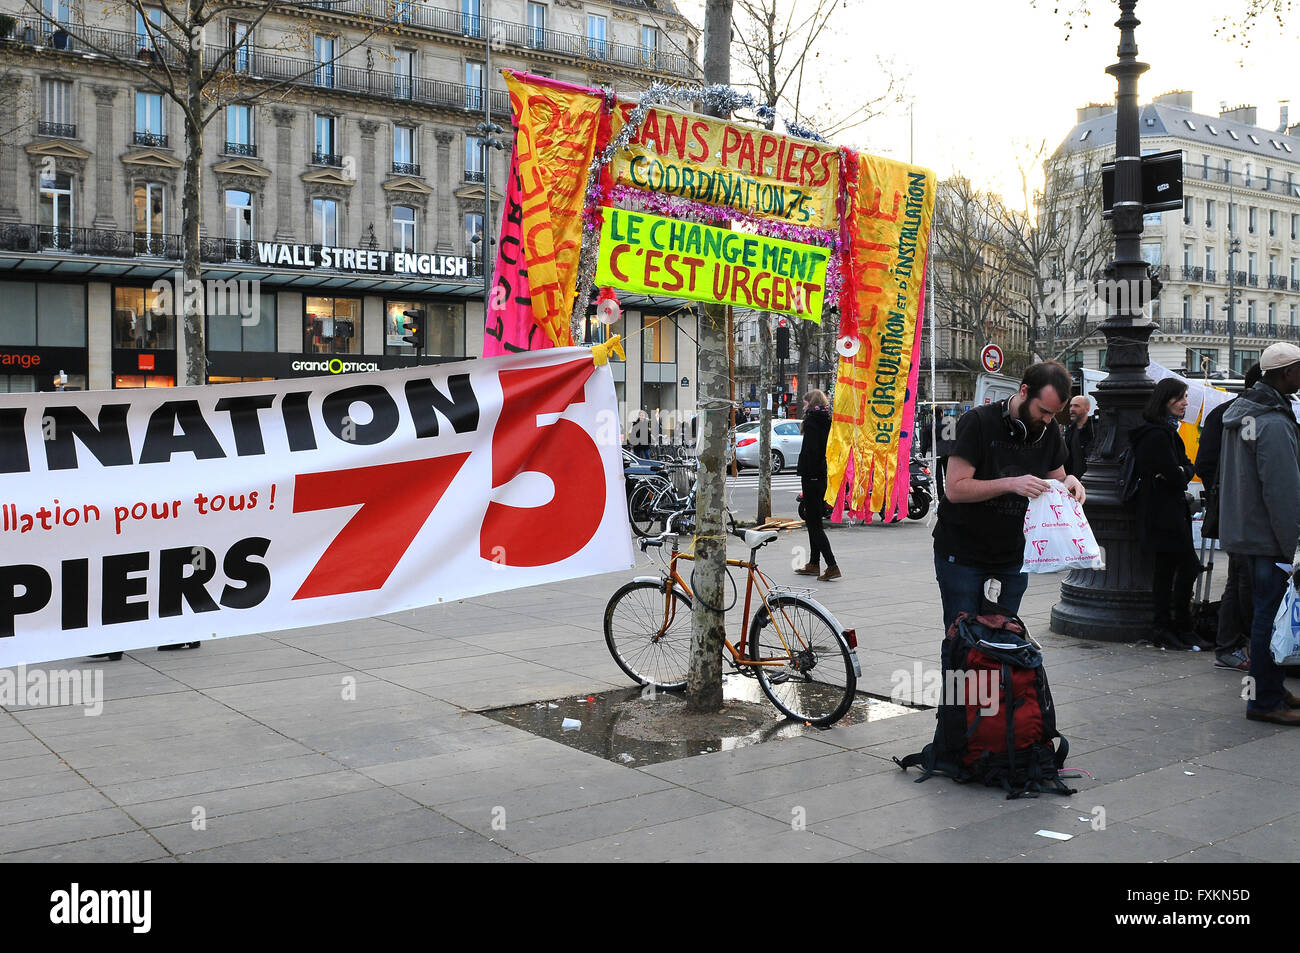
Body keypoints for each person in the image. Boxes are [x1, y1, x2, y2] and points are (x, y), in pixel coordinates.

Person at [933, 361, 1085, 629]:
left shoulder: (1048, 431)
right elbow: (955, 488)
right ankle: (959, 673)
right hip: (963, 552)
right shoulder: (977, 422)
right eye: (1044, 411)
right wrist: (1011, 483)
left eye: (1055, 414)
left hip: (1013, 555)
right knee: (963, 637)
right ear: (1024, 391)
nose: (1048, 420)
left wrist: (1069, 481)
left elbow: (1057, 476)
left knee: (1004, 637)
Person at [1219, 342, 1300, 725]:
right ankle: (1265, 700)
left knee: (1262, 615)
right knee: (1270, 618)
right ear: (1286, 374)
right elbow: (1282, 493)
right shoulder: (1272, 422)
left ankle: (1269, 688)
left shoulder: (1245, 414)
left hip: (1247, 535)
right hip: (1270, 538)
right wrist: (1294, 548)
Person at [1194, 363, 1262, 671]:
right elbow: (1206, 463)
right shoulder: (1228, 414)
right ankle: (1233, 644)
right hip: (1243, 511)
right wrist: (1228, 496)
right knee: (1243, 577)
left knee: (1244, 576)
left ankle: (1238, 642)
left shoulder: (1230, 412)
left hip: (1246, 510)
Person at [1130, 378, 1204, 651]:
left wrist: (1179, 471)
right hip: (1164, 513)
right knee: (1187, 566)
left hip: (1166, 509)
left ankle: (1167, 627)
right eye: (1181, 398)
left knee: (1167, 570)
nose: (1186, 403)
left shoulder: (1167, 432)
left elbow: (1184, 468)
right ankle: (1176, 626)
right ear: (1165, 400)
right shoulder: (1157, 434)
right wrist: (1180, 472)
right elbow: (1177, 474)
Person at [795, 389, 839, 582]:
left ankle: (832, 565)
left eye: (805, 404)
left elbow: (812, 452)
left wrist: (808, 472)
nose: (803, 408)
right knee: (814, 521)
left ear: (811, 403)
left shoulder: (813, 422)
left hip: (812, 476)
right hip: (822, 476)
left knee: (814, 525)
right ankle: (814, 563)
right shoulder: (827, 420)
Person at [1064, 394, 1095, 478]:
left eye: (1076, 406)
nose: (1072, 409)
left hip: (1090, 479)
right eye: (1071, 406)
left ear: (1087, 408)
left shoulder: (1094, 430)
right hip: (1074, 480)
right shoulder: (1070, 431)